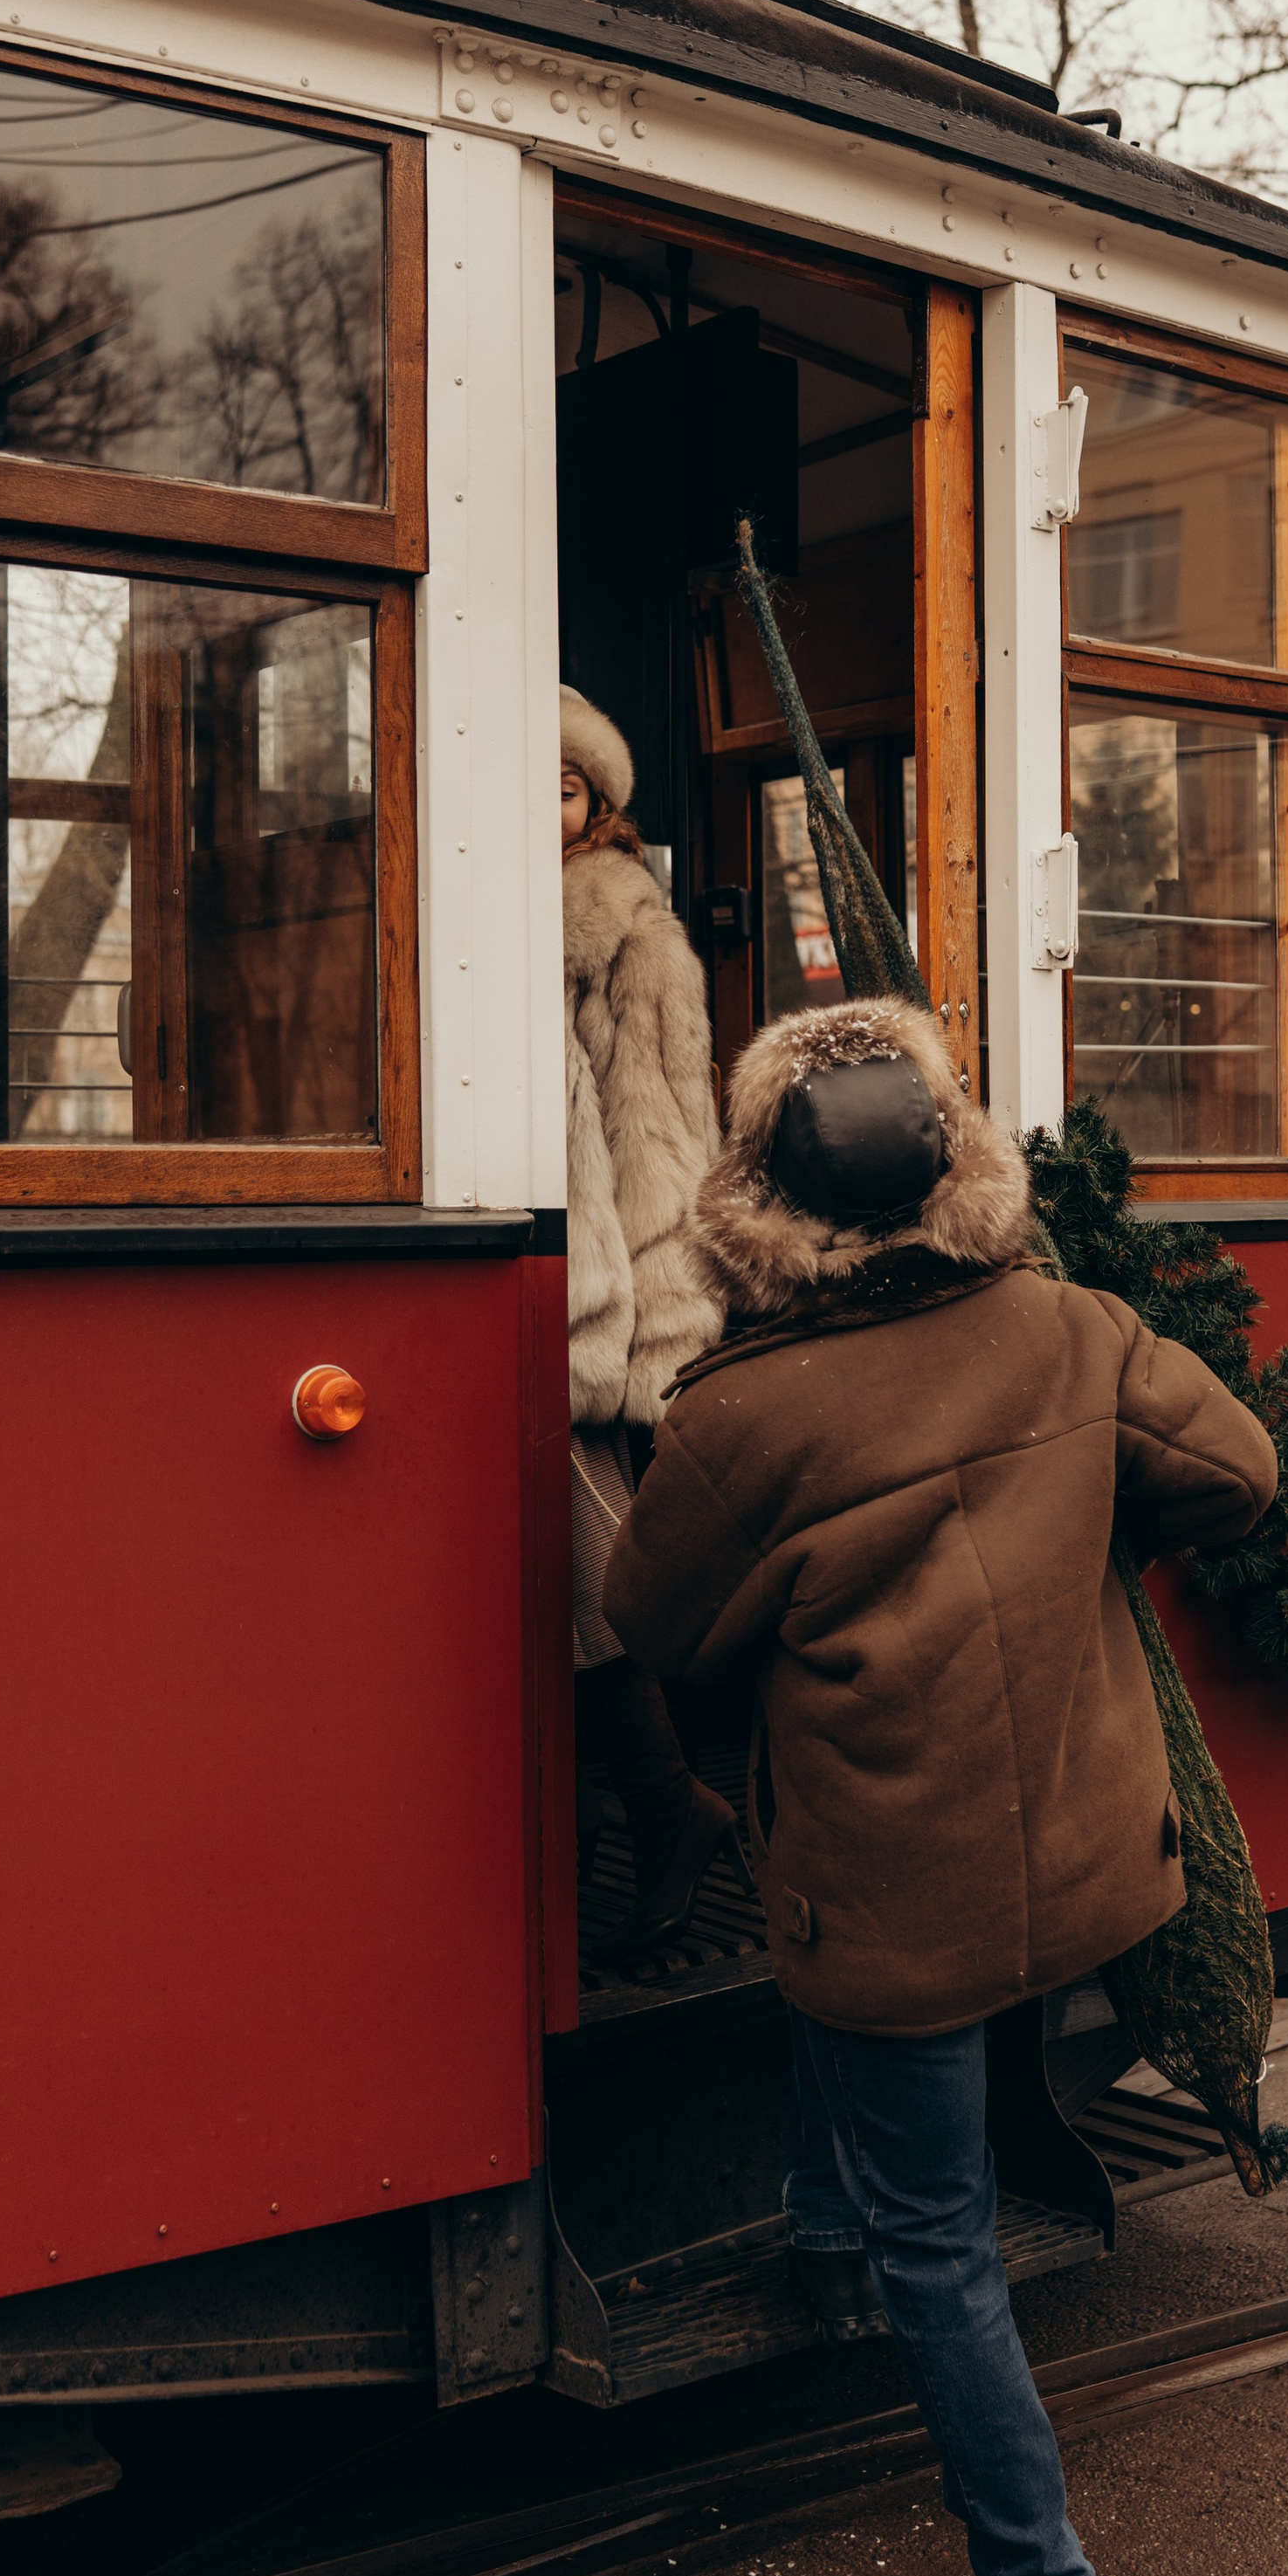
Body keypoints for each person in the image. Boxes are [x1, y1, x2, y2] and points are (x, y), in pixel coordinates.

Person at [602, 995, 1278, 2576]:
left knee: (942, 2247)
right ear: (956, 1169)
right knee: (901, 2074)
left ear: (756, 1197)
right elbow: (1238, 1472)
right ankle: (824, 2231)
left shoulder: (741, 1418)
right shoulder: (1067, 1329)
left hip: (891, 1898)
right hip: (1072, 1856)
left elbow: (650, 1626)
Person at [559, 688, 736, 1949]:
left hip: (599, 1308)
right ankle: (640, 1820)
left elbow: (673, 1143)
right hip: (526, 1291)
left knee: (591, 1584)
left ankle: (666, 1810)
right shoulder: (470, 927)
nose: (542, 815)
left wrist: (661, 1340)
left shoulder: (638, 941)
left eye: (562, 791)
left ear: (599, 806)